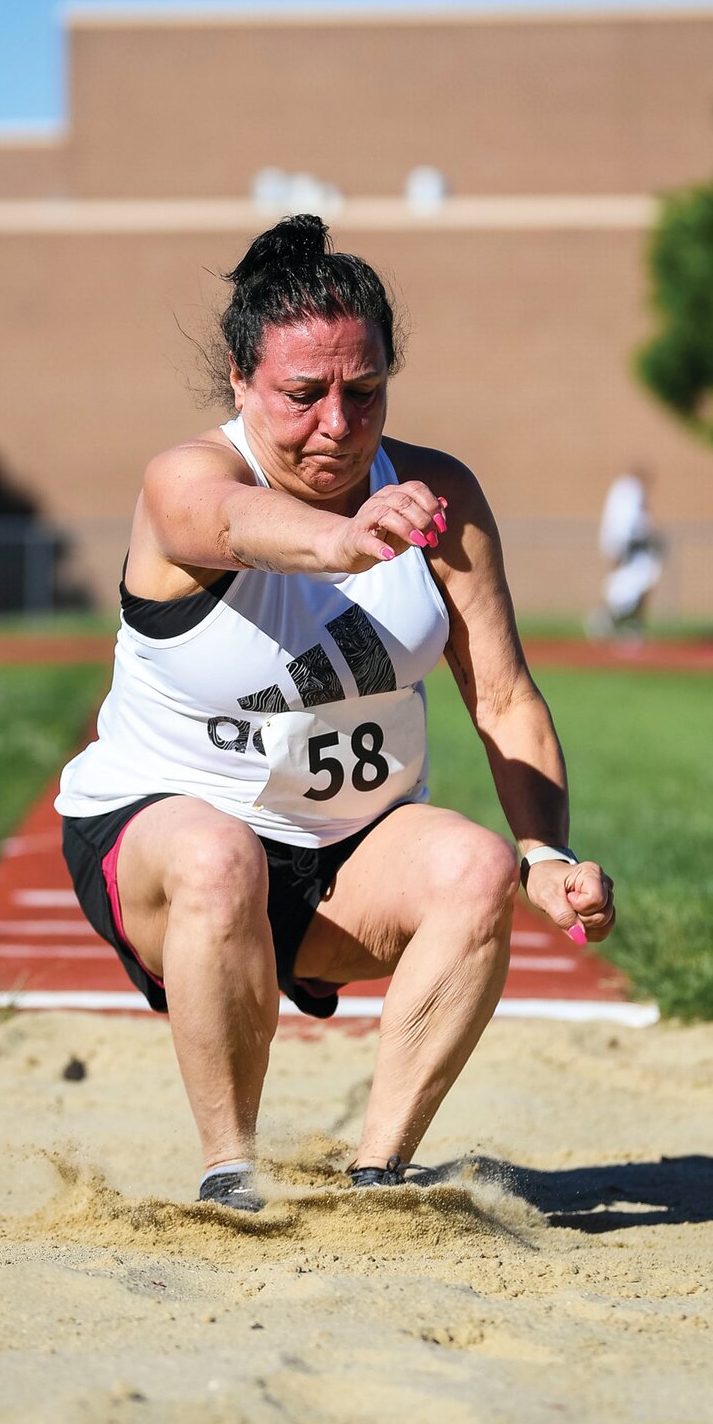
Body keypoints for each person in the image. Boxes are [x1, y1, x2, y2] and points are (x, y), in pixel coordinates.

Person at [57, 215, 615, 1212]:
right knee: (216, 857)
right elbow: (234, 525)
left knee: (476, 867)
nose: (336, 423)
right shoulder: (186, 480)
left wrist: (546, 855)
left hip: (345, 860)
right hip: (161, 845)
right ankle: (231, 1172)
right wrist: (344, 537)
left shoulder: (438, 494)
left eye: (363, 393)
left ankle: (379, 1177)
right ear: (240, 381)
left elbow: (502, 694)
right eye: (303, 396)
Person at [589, 469, 665, 641]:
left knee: (635, 579)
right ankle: (612, 619)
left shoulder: (622, 490)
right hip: (630, 544)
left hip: (626, 544)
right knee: (631, 580)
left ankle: (624, 622)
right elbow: (638, 520)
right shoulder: (632, 490)